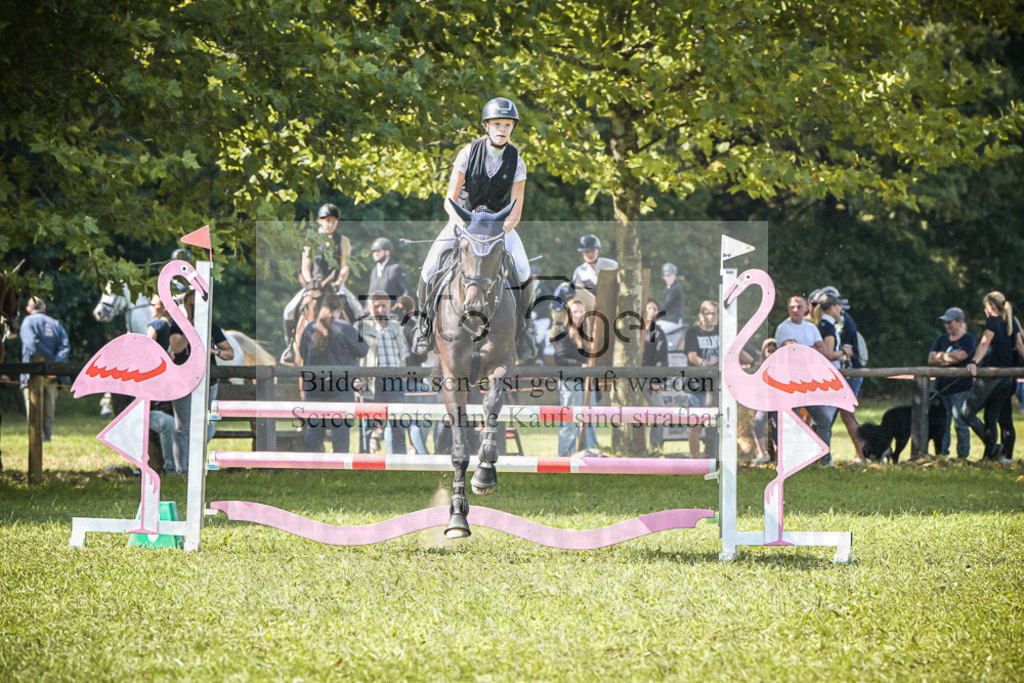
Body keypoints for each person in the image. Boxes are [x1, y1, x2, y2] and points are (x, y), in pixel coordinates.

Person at [412, 97, 535, 361]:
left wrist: (499, 231)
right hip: (464, 222)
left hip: (499, 226)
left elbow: (516, 211)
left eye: (508, 125)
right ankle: (423, 327)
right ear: (486, 126)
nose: (503, 129)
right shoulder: (467, 153)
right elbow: (450, 199)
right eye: (497, 124)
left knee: (523, 269)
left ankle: (525, 329)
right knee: (429, 266)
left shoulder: (518, 161)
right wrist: (463, 226)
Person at [168, 288, 234, 473]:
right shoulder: (178, 324)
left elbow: (230, 353)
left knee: (207, 425)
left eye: (199, 306)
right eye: (191, 305)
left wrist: (214, 351)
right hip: (183, 382)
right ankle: (183, 471)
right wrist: (192, 327)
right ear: (186, 306)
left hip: (208, 382)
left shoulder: (211, 326)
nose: (195, 309)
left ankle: (195, 462)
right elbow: (176, 347)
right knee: (183, 427)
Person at [281, 203, 351, 362]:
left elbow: (345, 266)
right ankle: (290, 347)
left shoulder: (343, 240)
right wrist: (310, 282)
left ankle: (352, 345)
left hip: (334, 284)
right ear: (320, 221)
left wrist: (339, 282)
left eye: (334, 221)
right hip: (314, 284)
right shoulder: (310, 239)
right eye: (327, 221)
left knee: (358, 309)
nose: (330, 224)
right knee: (289, 310)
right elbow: (305, 266)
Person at [299, 293, 368, 453]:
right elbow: (363, 349)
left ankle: (311, 465)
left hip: (314, 389)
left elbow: (302, 354)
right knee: (340, 431)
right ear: (339, 310)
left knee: (314, 429)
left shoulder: (309, 328)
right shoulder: (344, 327)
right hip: (340, 389)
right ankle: (340, 465)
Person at [774, 295, 837, 464]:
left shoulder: (811, 328)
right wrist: (810, 349)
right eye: (792, 307)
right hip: (790, 384)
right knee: (791, 423)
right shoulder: (783, 328)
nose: (796, 310)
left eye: (799, 307)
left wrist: (803, 348)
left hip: (810, 384)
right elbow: (792, 350)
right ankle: (788, 461)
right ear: (788, 309)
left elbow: (823, 351)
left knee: (824, 419)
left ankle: (824, 459)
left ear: (805, 309)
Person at [962, 291, 1024, 462]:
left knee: (966, 413)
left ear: (990, 306)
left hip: (991, 375)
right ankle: (990, 457)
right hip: (1007, 377)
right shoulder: (1011, 322)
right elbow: (1019, 346)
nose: (984, 309)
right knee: (990, 417)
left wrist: (974, 362)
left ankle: (994, 448)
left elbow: (985, 342)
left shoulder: (993, 321)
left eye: (985, 305)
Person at [813, 293, 865, 462]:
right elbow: (828, 354)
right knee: (829, 418)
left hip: (831, 376)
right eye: (839, 306)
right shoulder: (828, 326)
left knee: (826, 418)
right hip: (834, 377)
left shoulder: (822, 324)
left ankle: (821, 455)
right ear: (832, 307)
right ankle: (825, 457)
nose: (841, 310)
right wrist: (843, 352)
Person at [358, 291, 410, 454]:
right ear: (369, 307)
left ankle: (399, 457)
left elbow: (402, 354)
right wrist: (357, 379)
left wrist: (403, 376)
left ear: (389, 306)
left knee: (397, 420)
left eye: (383, 306)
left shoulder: (395, 326)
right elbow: (355, 357)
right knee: (368, 421)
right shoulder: (361, 326)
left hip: (394, 379)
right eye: (376, 306)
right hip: (370, 380)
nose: (380, 309)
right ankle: (365, 457)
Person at [552, 298, 598, 456]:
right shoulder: (563, 333)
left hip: (587, 381)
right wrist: (580, 366)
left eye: (582, 311)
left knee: (590, 417)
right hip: (570, 382)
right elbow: (560, 358)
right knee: (570, 419)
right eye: (575, 311)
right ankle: (566, 452)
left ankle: (590, 449)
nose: (579, 314)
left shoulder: (588, 334)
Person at [928, 307, 976, 459]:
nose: (947, 325)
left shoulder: (968, 339)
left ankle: (963, 456)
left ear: (960, 322)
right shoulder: (941, 339)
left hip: (961, 388)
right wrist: (949, 358)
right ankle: (942, 454)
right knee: (943, 424)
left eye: (950, 322)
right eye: (945, 322)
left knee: (960, 423)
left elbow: (963, 355)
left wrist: (942, 357)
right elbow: (930, 359)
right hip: (942, 389)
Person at [19, 296, 70, 442]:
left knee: (33, 409)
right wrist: (54, 366)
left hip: (31, 374)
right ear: (44, 307)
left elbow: (32, 344)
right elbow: (65, 346)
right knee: (49, 410)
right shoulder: (55, 324)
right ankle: (47, 439)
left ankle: (37, 440)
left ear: (28, 309)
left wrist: (45, 365)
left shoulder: (27, 321)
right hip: (52, 375)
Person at [681, 301, 721, 457]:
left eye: (714, 313)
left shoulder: (721, 331)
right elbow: (691, 356)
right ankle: (696, 457)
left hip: (716, 386)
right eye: (707, 313)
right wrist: (705, 363)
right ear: (701, 315)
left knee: (715, 423)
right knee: (697, 424)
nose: (711, 317)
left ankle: (711, 454)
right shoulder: (693, 332)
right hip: (696, 385)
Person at [641, 299, 669, 453]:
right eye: (648, 308)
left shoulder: (658, 333)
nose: (651, 312)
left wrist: (656, 381)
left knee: (660, 412)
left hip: (648, 380)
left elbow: (661, 359)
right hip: (629, 380)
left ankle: (655, 447)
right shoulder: (633, 331)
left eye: (654, 309)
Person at [751, 338, 779, 465]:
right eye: (769, 351)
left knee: (777, 430)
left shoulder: (781, 366)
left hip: (778, 402)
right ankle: (762, 453)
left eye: (774, 351)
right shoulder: (760, 365)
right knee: (757, 425)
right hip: (765, 402)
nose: (771, 354)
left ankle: (779, 458)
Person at [367, 237, 412, 302]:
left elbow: (407, 291)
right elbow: (370, 295)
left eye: (379, 251)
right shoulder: (374, 271)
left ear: (387, 252)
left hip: (392, 311)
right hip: (377, 311)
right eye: (374, 251)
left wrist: (398, 308)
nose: (376, 254)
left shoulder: (395, 269)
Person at [660, 263, 685, 329]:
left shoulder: (676, 288)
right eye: (667, 276)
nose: (669, 278)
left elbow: (667, 304)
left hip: (674, 320)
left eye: (671, 275)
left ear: (675, 275)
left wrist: (655, 311)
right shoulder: (668, 288)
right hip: (667, 319)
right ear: (663, 277)